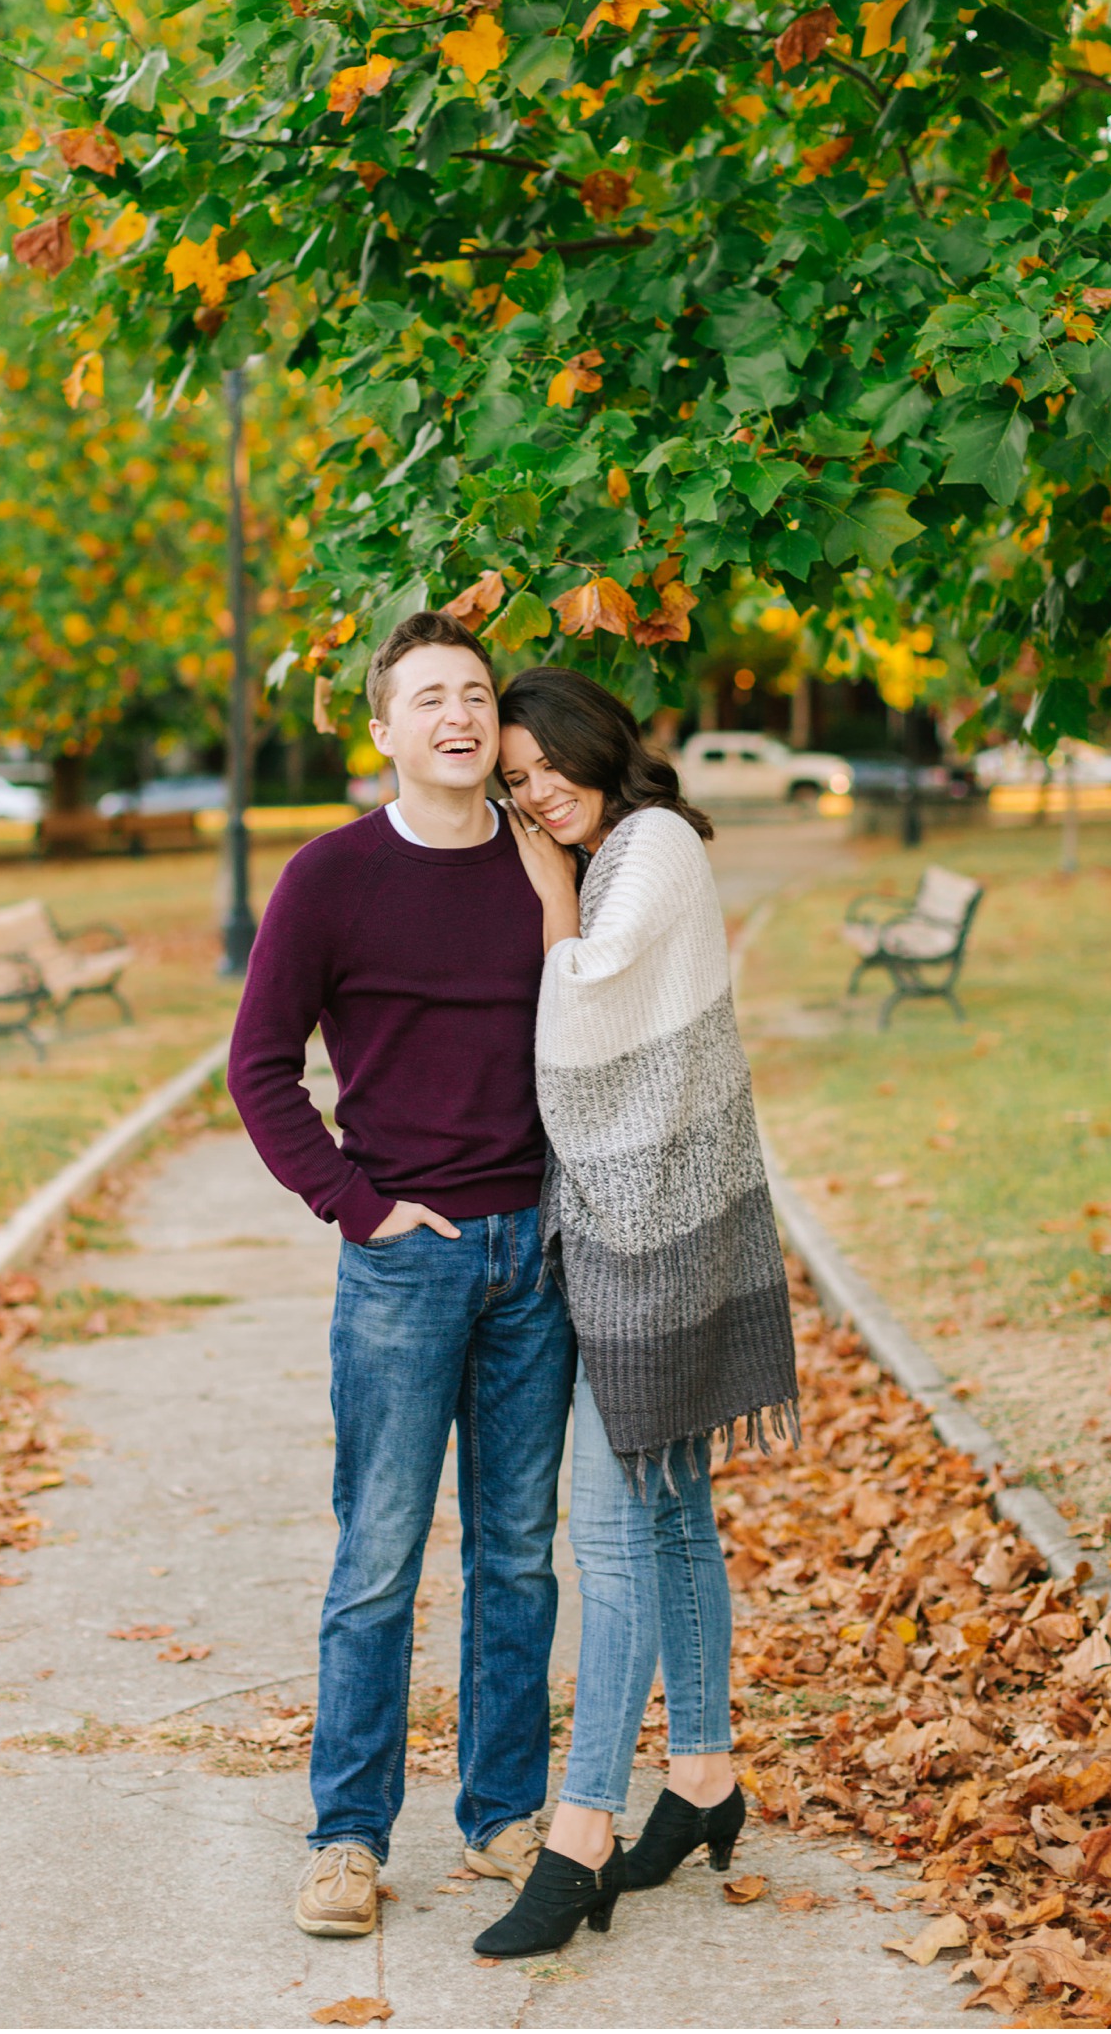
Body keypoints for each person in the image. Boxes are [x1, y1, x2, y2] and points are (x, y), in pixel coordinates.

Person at [227, 614, 576, 1941]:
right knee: (377, 1557)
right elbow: (259, 1068)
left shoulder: (547, 866)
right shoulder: (330, 878)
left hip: (531, 1256)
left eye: (476, 693)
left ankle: (500, 1815)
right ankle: (347, 1838)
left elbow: (588, 1022)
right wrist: (359, 1208)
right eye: (428, 695)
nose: (458, 714)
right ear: (383, 728)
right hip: (402, 1270)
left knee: (517, 1554)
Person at [472, 666, 800, 1961]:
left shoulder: (648, 847)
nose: (536, 788)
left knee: (610, 1539)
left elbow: (580, 1040)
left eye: (546, 761)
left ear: (596, 740)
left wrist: (549, 899)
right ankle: (707, 1775)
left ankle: (584, 1830)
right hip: (647, 1232)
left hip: (651, 1242)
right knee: (671, 1518)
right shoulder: (614, 848)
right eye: (515, 781)